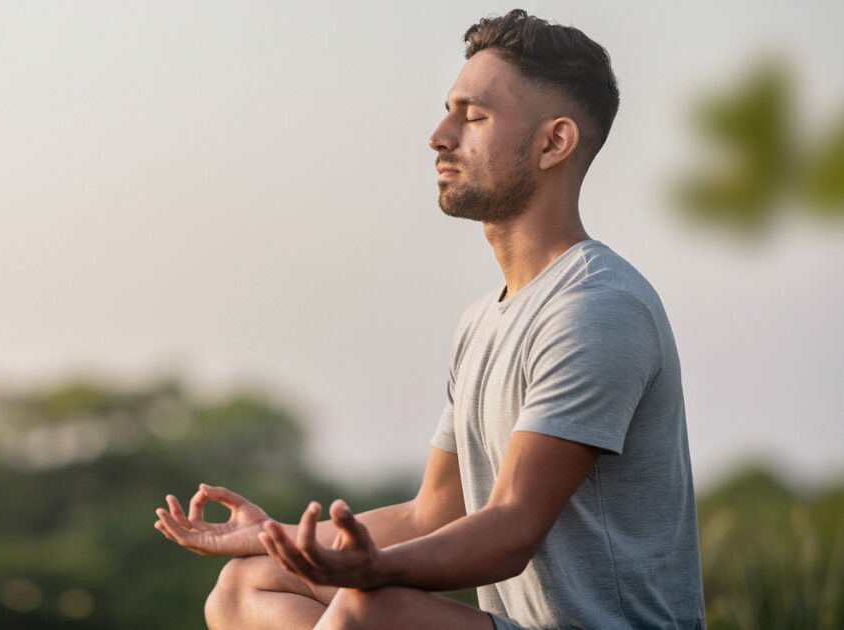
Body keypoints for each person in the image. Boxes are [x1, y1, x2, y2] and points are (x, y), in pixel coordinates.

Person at [155, 9, 706, 630]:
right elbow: (432, 514)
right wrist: (273, 535)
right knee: (246, 585)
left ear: (554, 142)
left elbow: (511, 528)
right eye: (450, 110)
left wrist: (373, 572)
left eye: (474, 116)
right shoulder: (484, 321)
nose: (441, 135)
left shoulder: (596, 307)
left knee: (370, 610)